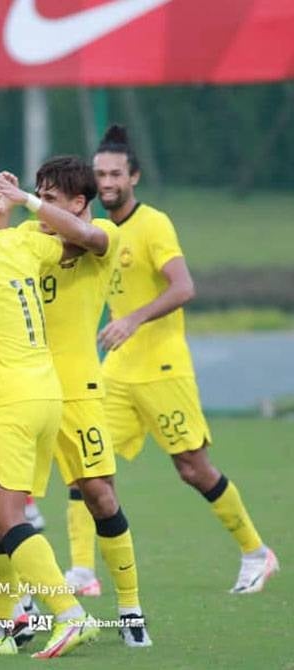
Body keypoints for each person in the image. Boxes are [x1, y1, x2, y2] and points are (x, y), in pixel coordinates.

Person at [89, 125, 278, 593]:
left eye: (115, 173)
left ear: (133, 175)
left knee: (192, 468)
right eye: (99, 174)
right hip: (116, 370)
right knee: (86, 460)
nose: (106, 181)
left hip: (162, 368)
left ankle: (256, 552)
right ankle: (81, 570)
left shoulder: (154, 224)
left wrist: (132, 320)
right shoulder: (98, 231)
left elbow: (184, 286)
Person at [0, 156, 152, 647]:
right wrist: (3, 213)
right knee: (3, 509)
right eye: (39, 195)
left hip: (79, 391)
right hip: (26, 390)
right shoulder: (33, 240)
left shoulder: (103, 235)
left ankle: (129, 609)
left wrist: (27, 202)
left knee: (100, 496)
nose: (41, 208)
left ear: (78, 203)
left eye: (51, 198)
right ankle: (18, 614)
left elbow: (90, 240)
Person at [0, 167, 101, 659]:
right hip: (45, 395)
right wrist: (25, 203)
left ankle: (70, 615)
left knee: (6, 519)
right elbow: (86, 239)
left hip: (4, 401)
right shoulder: (28, 241)